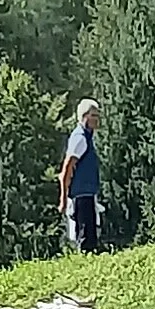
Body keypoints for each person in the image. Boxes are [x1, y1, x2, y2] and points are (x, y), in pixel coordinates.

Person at [60, 100, 103, 254]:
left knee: (91, 234)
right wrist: (63, 199)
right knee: (86, 238)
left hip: (87, 193)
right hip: (81, 195)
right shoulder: (80, 138)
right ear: (84, 117)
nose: (97, 119)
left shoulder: (87, 137)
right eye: (94, 115)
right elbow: (67, 168)